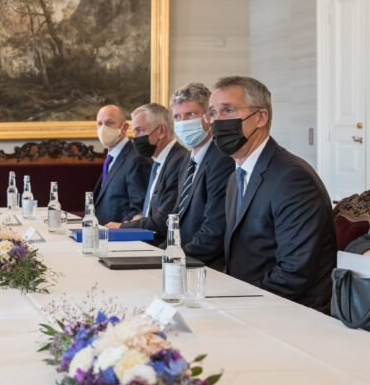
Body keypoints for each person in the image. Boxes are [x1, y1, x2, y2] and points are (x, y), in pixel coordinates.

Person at [210, 76, 336, 313]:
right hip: (249, 301)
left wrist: (238, 304)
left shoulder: (292, 178)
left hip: (291, 312)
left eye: (227, 110)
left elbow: (294, 272)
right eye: (213, 113)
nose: (217, 121)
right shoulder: (235, 176)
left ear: (260, 117)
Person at [168, 83, 234, 269]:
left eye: (191, 115)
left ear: (209, 116)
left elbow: (214, 230)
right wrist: (162, 253)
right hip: (181, 258)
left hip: (206, 266)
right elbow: (177, 216)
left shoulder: (222, 159)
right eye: (177, 117)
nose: (183, 123)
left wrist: (172, 259)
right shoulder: (188, 159)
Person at [115, 103, 188, 245]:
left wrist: (122, 227)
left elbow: (164, 219)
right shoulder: (158, 160)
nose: (135, 137)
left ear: (161, 130)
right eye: (134, 131)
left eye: (140, 130)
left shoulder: (179, 161)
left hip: (162, 245)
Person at [92, 105, 151, 225]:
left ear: (124, 127)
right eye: (99, 123)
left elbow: (139, 209)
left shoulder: (137, 159)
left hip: (120, 237)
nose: (103, 128)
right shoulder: (112, 157)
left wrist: (120, 227)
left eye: (109, 123)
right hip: (102, 234)